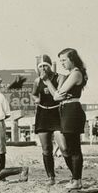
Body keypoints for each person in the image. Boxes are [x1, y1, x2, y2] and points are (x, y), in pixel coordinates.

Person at [39, 48, 88, 189]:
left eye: (64, 60)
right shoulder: (71, 74)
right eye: (60, 60)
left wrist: (48, 82)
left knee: (74, 148)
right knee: (71, 148)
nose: (62, 63)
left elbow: (56, 96)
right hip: (66, 110)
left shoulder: (76, 73)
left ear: (73, 59)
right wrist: (58, 93)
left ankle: (77, 180)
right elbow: (58, 96)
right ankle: (75, 179)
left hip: (72, 110)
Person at [32, 54, 62, 185]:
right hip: (43, 113)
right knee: (46, 148)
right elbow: (33, 94)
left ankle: (75, 176)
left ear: (50, 66)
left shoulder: (59, 77)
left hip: (57, 112)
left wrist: (47, 81)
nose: (43, 68)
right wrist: (36, 99)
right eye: (41, 66)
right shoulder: (37, 81)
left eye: (45, 65)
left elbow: (58, 94)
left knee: (64, 147)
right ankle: (51, 176)